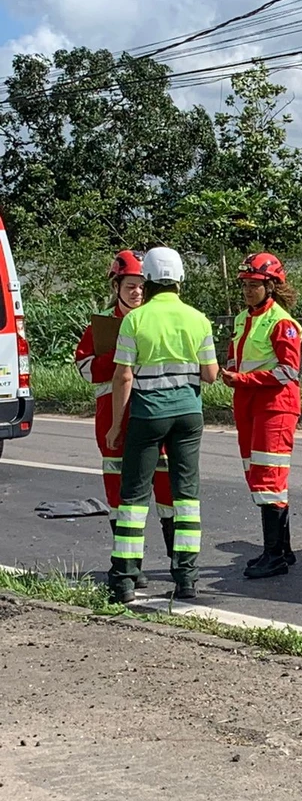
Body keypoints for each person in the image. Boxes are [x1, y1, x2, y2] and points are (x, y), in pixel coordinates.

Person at [106, 247, 219, 603]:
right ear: (180, 280)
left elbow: (123, 377)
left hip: (147, 416)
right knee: (186, 497)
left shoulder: (135, 321)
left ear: (149, 280)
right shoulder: (199, 319)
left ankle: (124, 580)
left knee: (134, 498)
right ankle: (186, 578)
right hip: (188, 416)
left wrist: (114, 426)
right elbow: (211, 375)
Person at [74, 250, 174, 588]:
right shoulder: (100, 327)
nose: (137, 293)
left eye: (141, 287)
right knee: (120, 498)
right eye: (130, 286)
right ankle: (130, 566)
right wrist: (118, 360)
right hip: (112, 418)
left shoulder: (152, 321)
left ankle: (178, 564)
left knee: (167, 491)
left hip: (152, 414)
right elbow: (85, 369)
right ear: (116, 286)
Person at [222, 252, 302, 580]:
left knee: (270, 479)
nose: (248, 290)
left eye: (254, 284)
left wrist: (242, 379)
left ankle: (275, 557)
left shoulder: (283, 323)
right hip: (248, 406)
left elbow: (287, 371)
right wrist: (230, 370)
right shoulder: (244, 318)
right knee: (258, 477)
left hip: (274, 407)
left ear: (271, 285)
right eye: (245, 284)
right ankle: (282, 549)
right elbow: (235, 353)